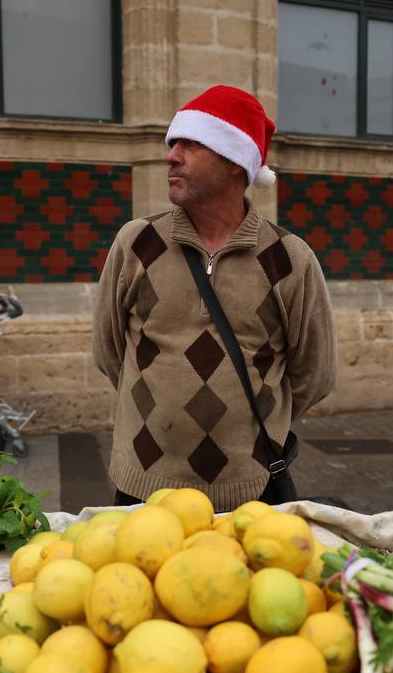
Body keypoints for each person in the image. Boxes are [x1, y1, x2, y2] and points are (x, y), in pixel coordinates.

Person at [92, 85, 337, 511]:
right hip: (144, 488)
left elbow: (314, 373)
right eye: (172, 143)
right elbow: (109, 350)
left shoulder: (289, 259)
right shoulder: (137, 243)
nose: (171, 156)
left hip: (248, 493)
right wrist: (157, 410)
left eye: (190, 144)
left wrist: (251, 426)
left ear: (234, 161)